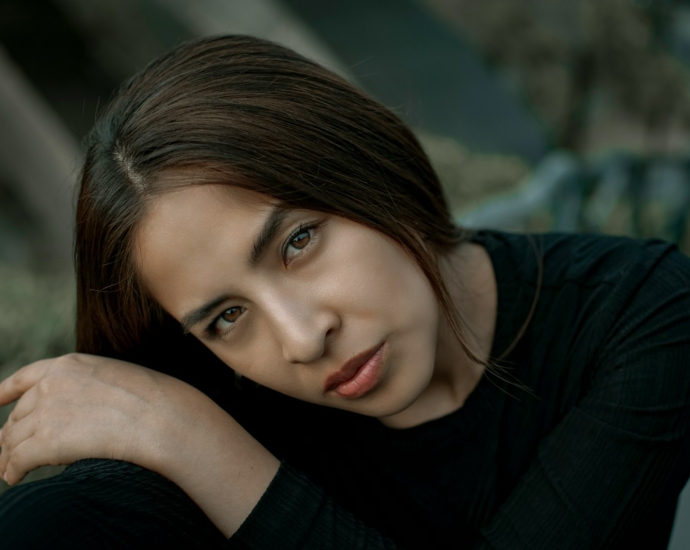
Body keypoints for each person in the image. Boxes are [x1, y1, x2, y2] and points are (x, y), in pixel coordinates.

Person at [0, 34, 689, 550]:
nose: (302, 338)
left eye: (297, 241)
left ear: (368, 165)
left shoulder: (645, 313)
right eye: (227, 317)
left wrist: (203, 448)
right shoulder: (221, 401)